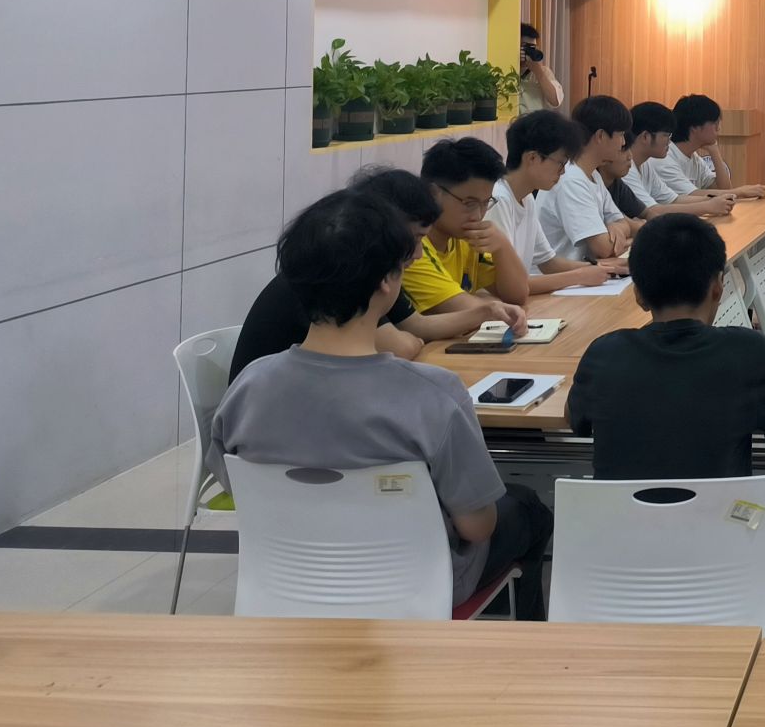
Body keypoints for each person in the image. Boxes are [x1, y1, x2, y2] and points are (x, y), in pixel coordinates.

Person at [210, 189, 553, 619]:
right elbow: (476, 526)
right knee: (527, 509)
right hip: (416, 584)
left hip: (287, 578)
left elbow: (236, 485)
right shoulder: (435, 394)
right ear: (388, 283)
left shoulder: (248, 387)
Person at [567, 214, 765, 478]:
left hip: (619, 507)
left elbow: (575, 421)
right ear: (718, 288)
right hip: (722, 507)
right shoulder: (750, 352)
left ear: (638, 294)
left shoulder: (604, 355)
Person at [232, 168, 461, 381]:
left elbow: (412, 329)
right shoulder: (349, 276)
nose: (418, 253)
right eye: (415, 239)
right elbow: (399, 349)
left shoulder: (330, 269)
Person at [492, 112, 628, 293]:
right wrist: (579, 276)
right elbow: (506, 285)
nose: (563, 172)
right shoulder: (497, 200)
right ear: (532, 158)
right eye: (560, 164)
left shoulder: (526, 198)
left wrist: (604, 269)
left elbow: (549, 262)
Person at [402, 139, 531, 327]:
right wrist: (490, 305)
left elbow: (517, 295)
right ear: (433, 193)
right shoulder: (412, 248)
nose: (478, 215)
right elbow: (467, 308)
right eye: (469, 203)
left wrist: (502, 246)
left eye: (486, 203)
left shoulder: (465, 237)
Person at [539, 95, 638, 262]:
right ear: (600, 136)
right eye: (621, 135)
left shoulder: (593, 174)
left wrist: (616, 227)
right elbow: (603, 248)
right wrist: (621, 234)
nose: (623, 143)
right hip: (561, 276)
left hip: (587, 270)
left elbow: (623, 223)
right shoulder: (571, 179)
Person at [623, 101, 733, 216]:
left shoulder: (645, 164)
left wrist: (715, 200)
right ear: (646, 137)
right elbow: (652, 211)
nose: (669, 141)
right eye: (666, 135)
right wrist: (708, 206)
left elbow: (673, 199)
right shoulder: (626, 169)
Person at [658, 94, 765, 200]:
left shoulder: (693, 157)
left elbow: (723, 188)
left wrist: (714, 151)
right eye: (715, 123)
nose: (718, 128)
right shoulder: (664, 158)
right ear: (695, 127)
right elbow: (692, 195)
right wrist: (740, 192)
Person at [517, 22, 563, 114]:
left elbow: (555, 101)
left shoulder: (544, 71)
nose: (529, 51)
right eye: (525, 46)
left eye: (532, 47)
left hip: (535, 120)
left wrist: (538, 71)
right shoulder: (506, 69)